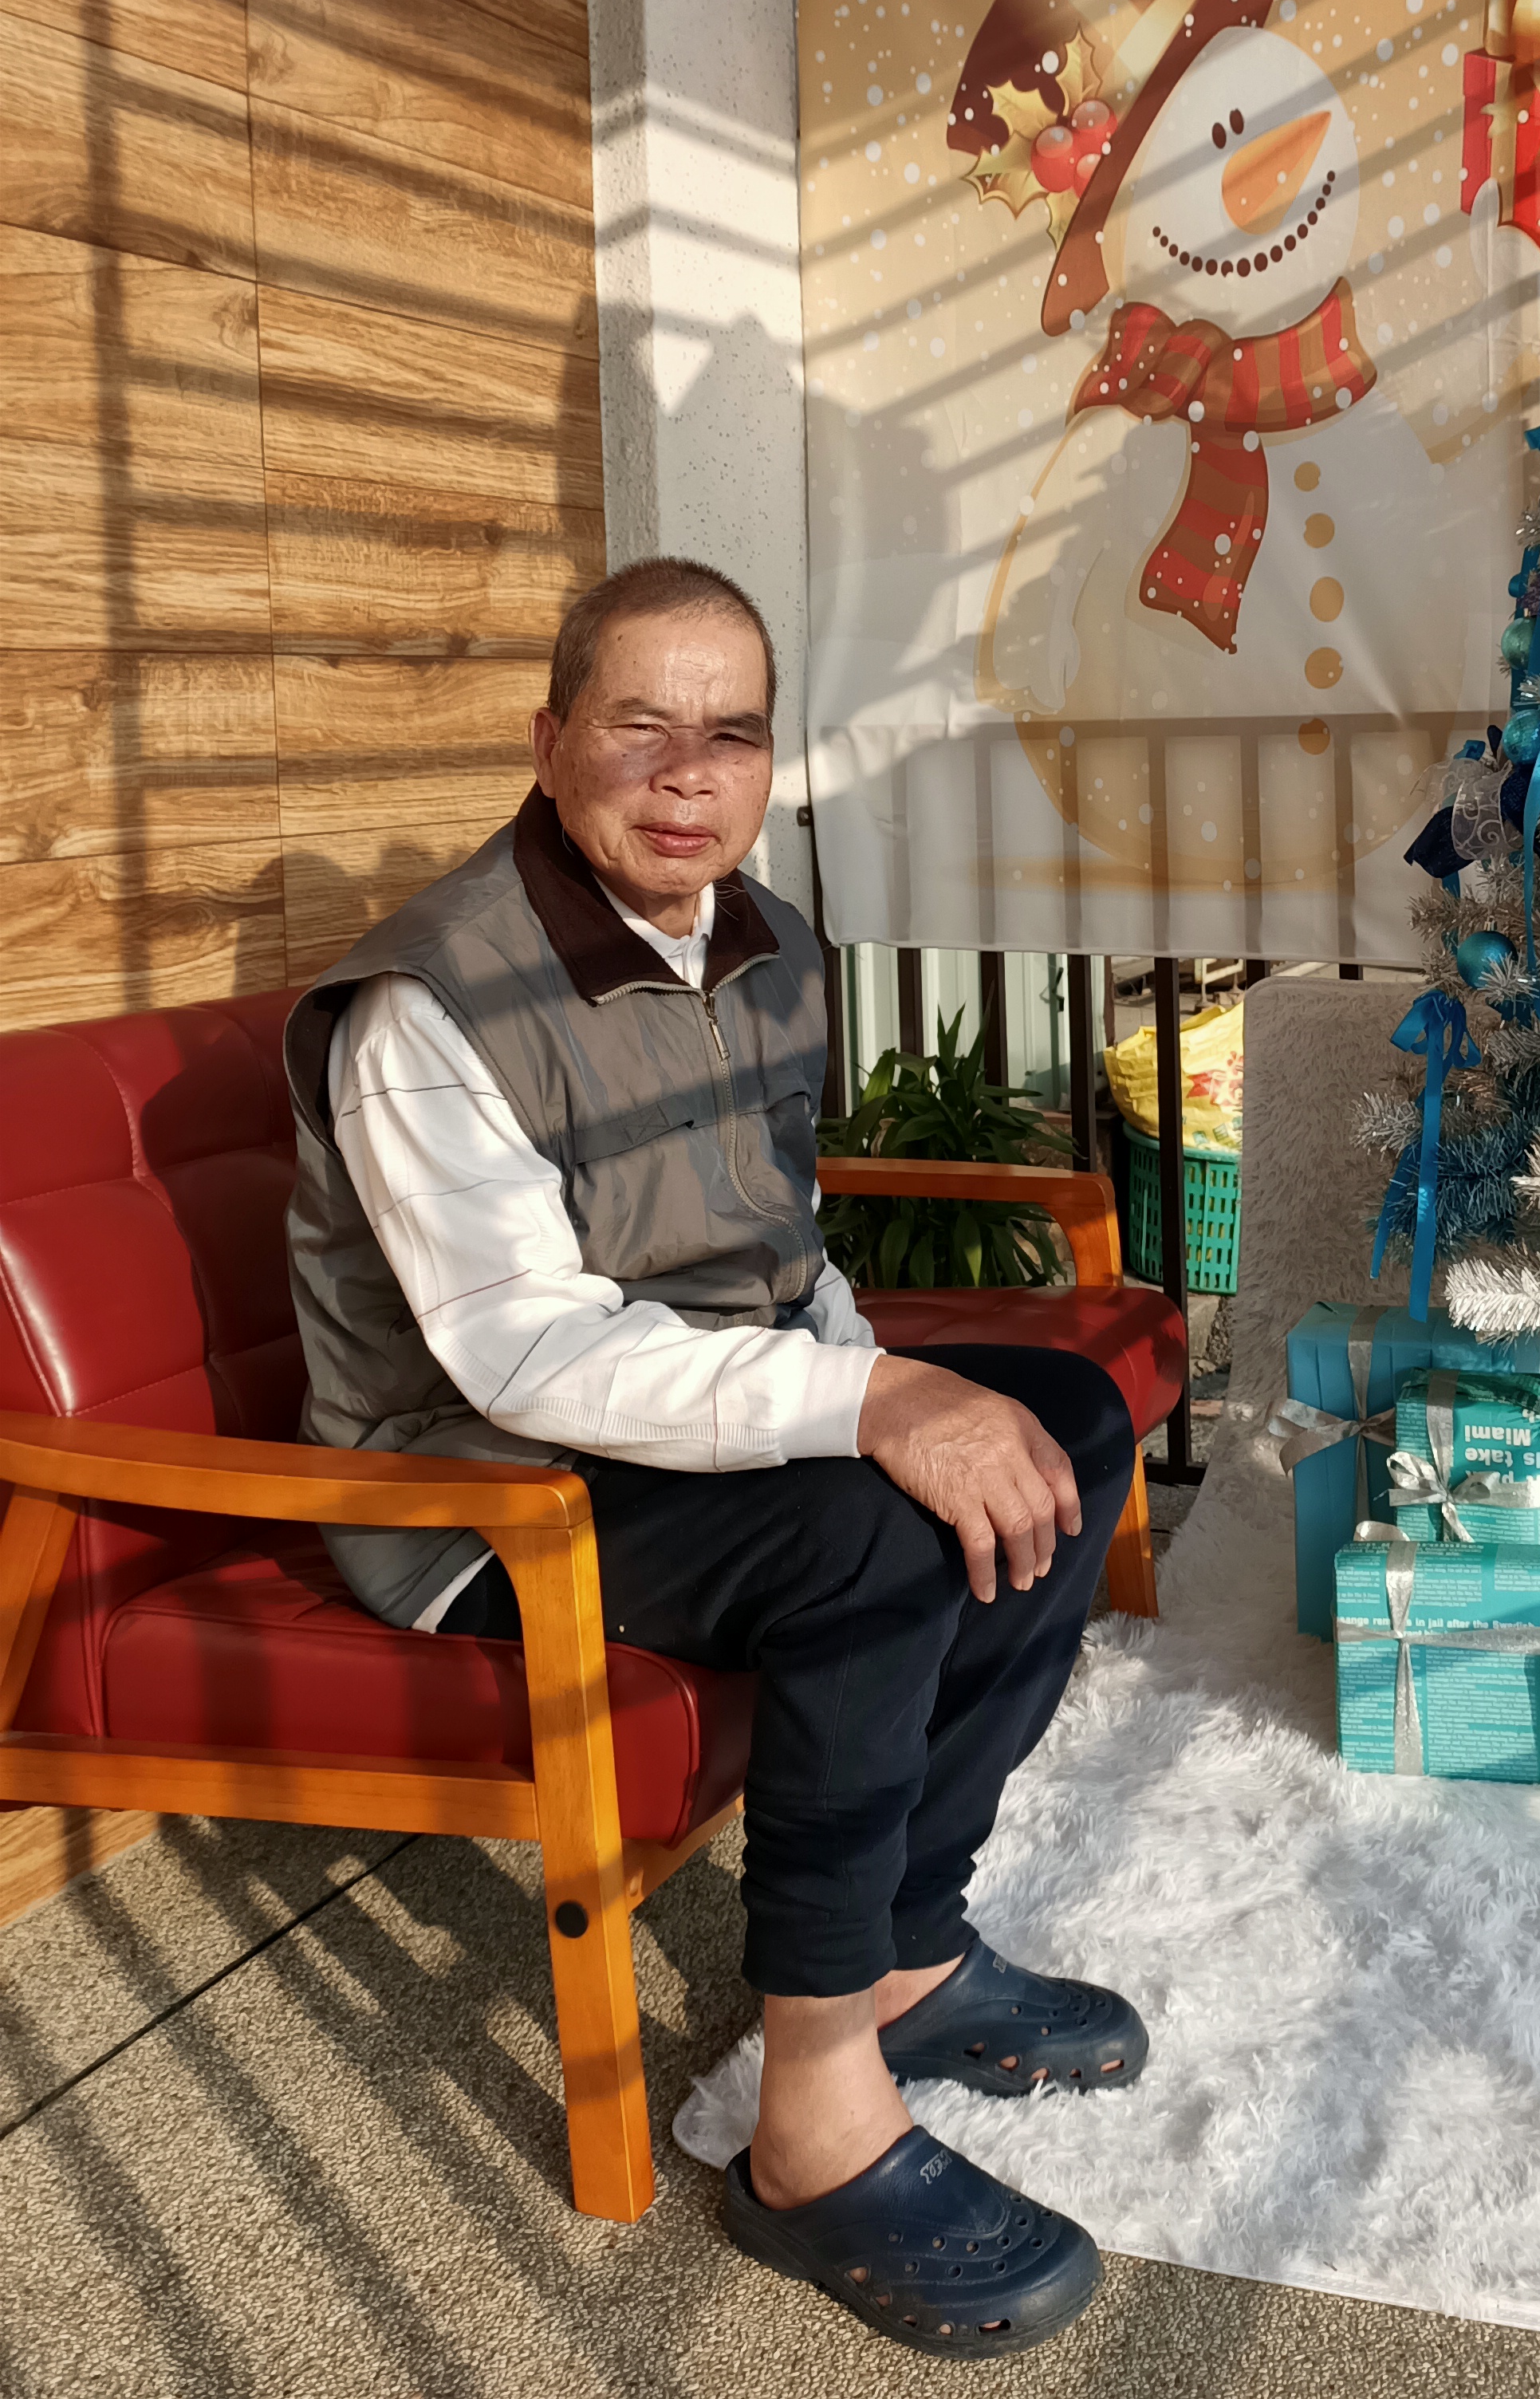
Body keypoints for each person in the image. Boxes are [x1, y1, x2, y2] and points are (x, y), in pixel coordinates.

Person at [283, 556, 1139, 2358]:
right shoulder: (429, 1000)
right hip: (475, 1487)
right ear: (550, 740)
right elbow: (521, 1352)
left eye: (731, 733)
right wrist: (866, 1412)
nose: (688, 773)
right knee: (872, 1533)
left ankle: (907, 1946)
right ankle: (811, 2119)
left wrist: (889, 1380)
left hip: (677, 1417)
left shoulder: (760, 942)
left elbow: (779, 1247)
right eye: (638, 725)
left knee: (1059, 1422)